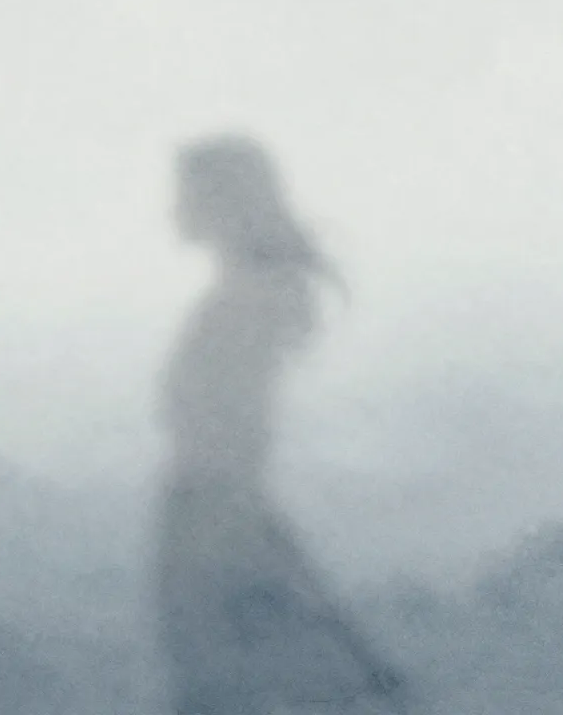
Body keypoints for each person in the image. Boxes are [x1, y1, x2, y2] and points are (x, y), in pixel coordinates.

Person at [154, 134, 406, 714]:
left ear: (223, 200)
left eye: (188, 193)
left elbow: (230, 416)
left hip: (212, 500)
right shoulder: (252, 293)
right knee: (263, 659)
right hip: (216, 497)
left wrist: (227, 505)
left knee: (230, 670)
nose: (175, 208)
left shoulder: (251, 298)